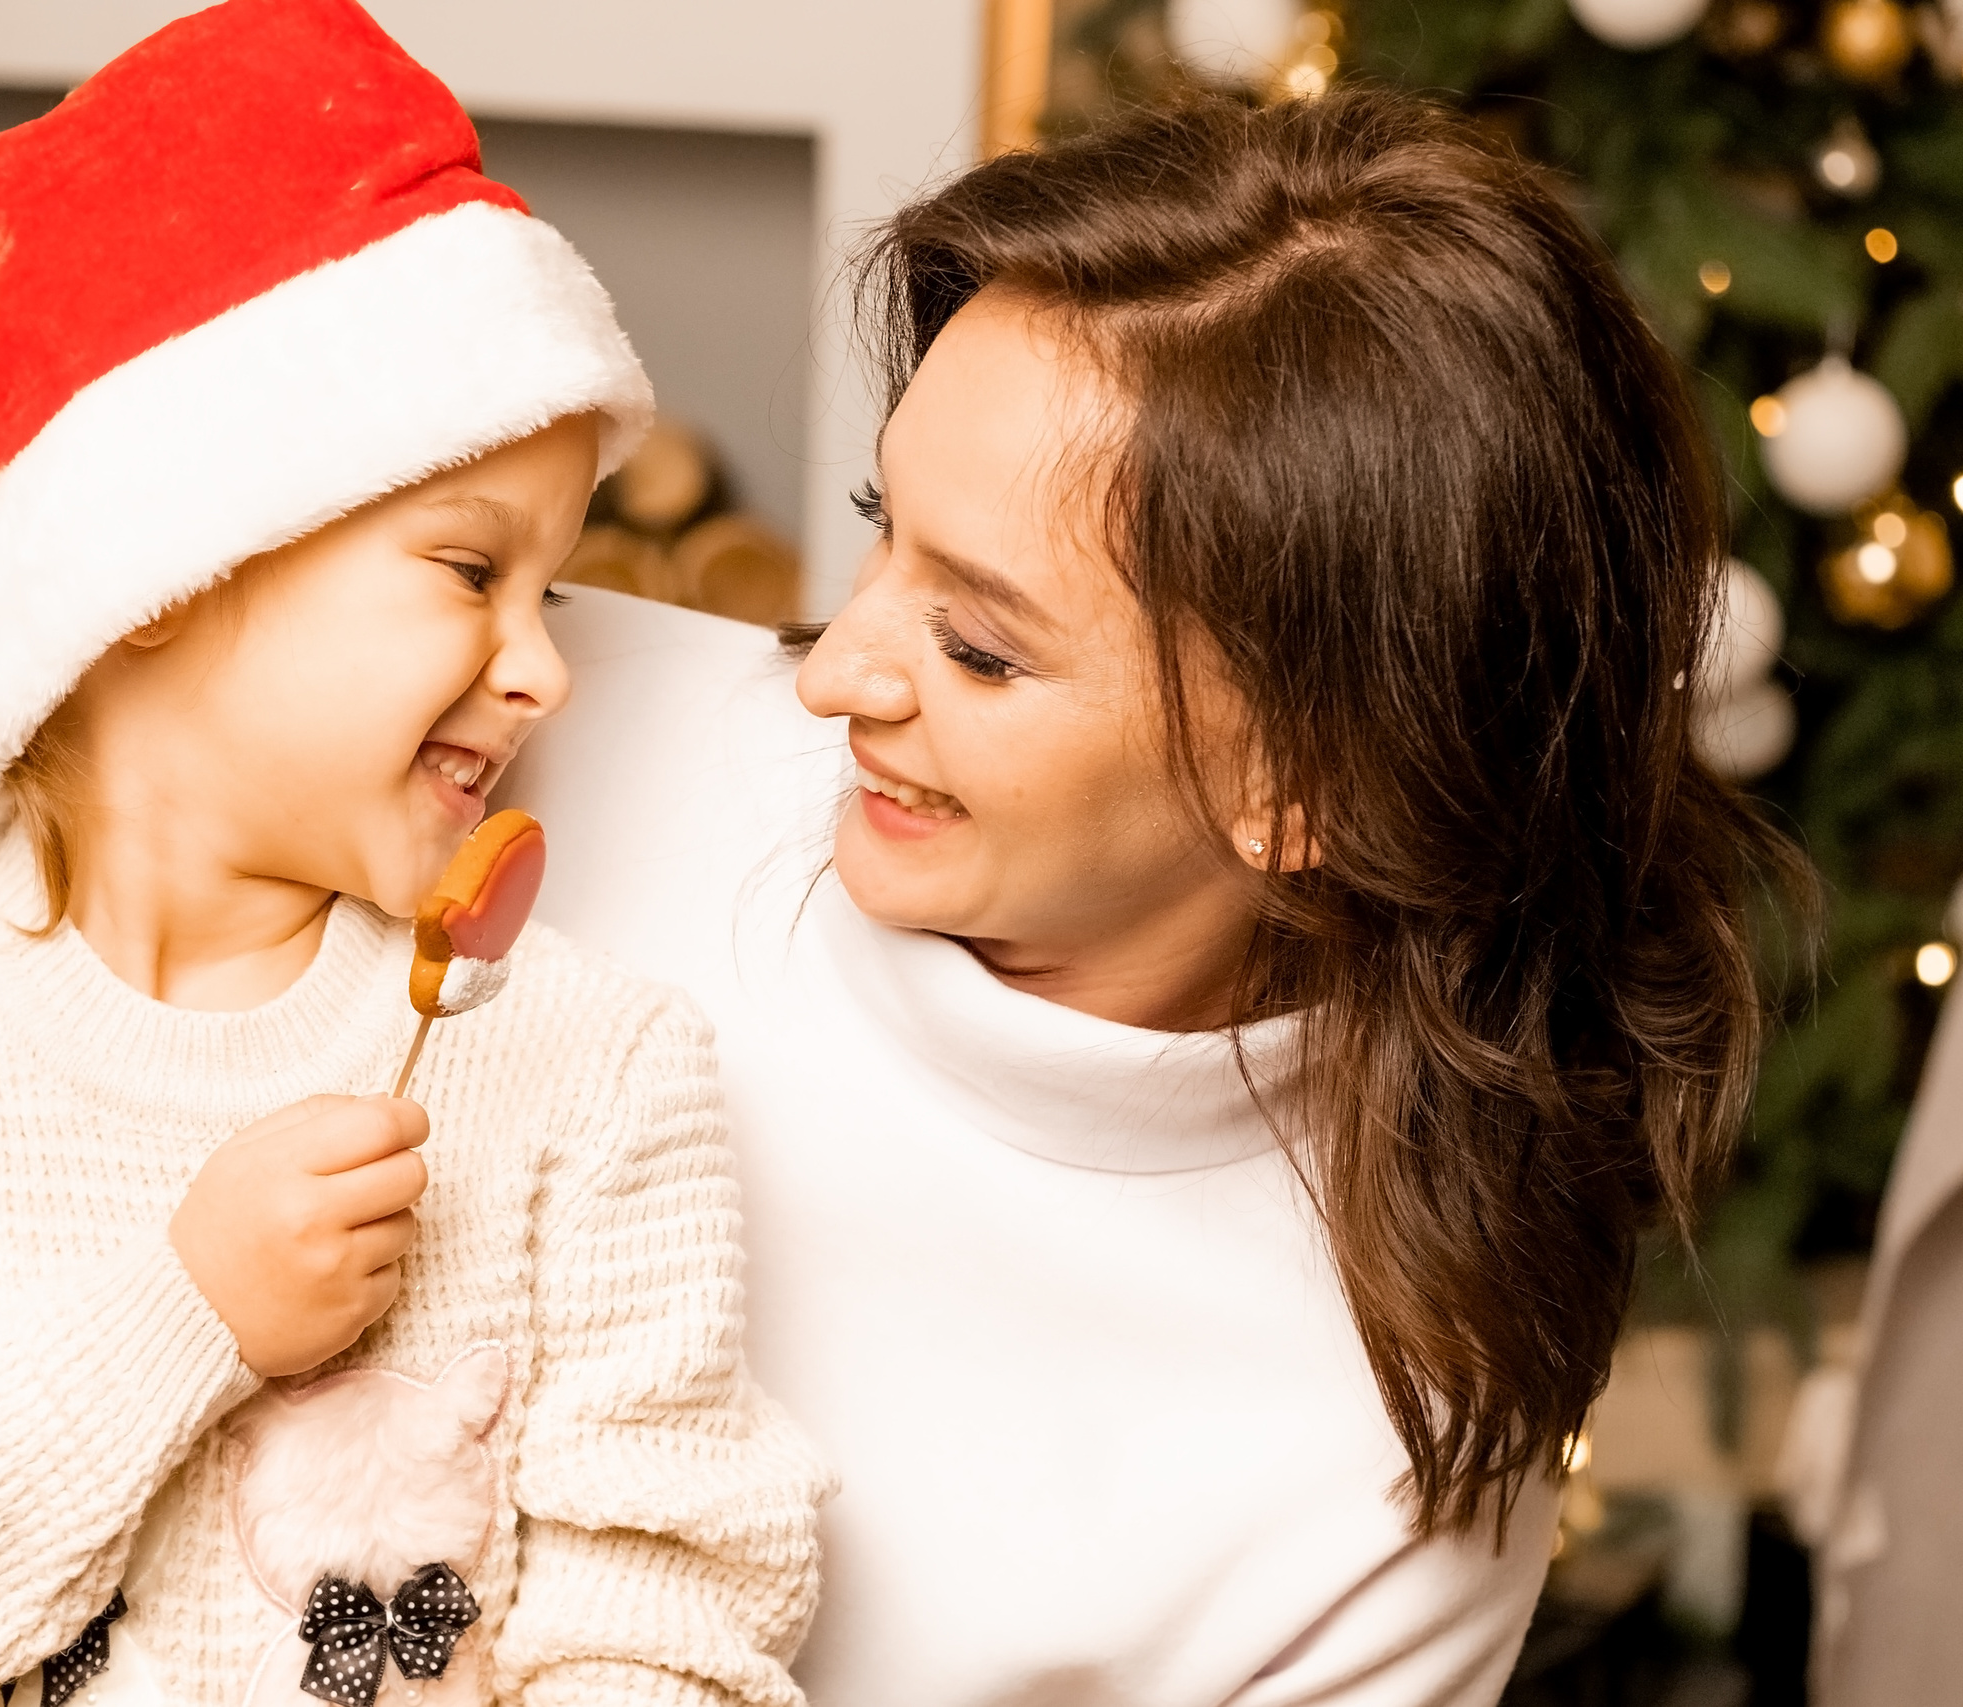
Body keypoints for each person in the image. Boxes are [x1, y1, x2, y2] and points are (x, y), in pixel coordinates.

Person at [0, 6, 826, 1706]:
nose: (543, 670)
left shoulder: (587, 1075)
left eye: (553, 589)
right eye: (465, 570)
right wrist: (185, 1311)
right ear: (159, 577)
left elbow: (667, 1636)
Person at [501, 86, 1806, 1707]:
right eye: (878, 533)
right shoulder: (521, 728)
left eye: (979, 649)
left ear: (1313, 787)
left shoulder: (1383, 1463)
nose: (829, 674)